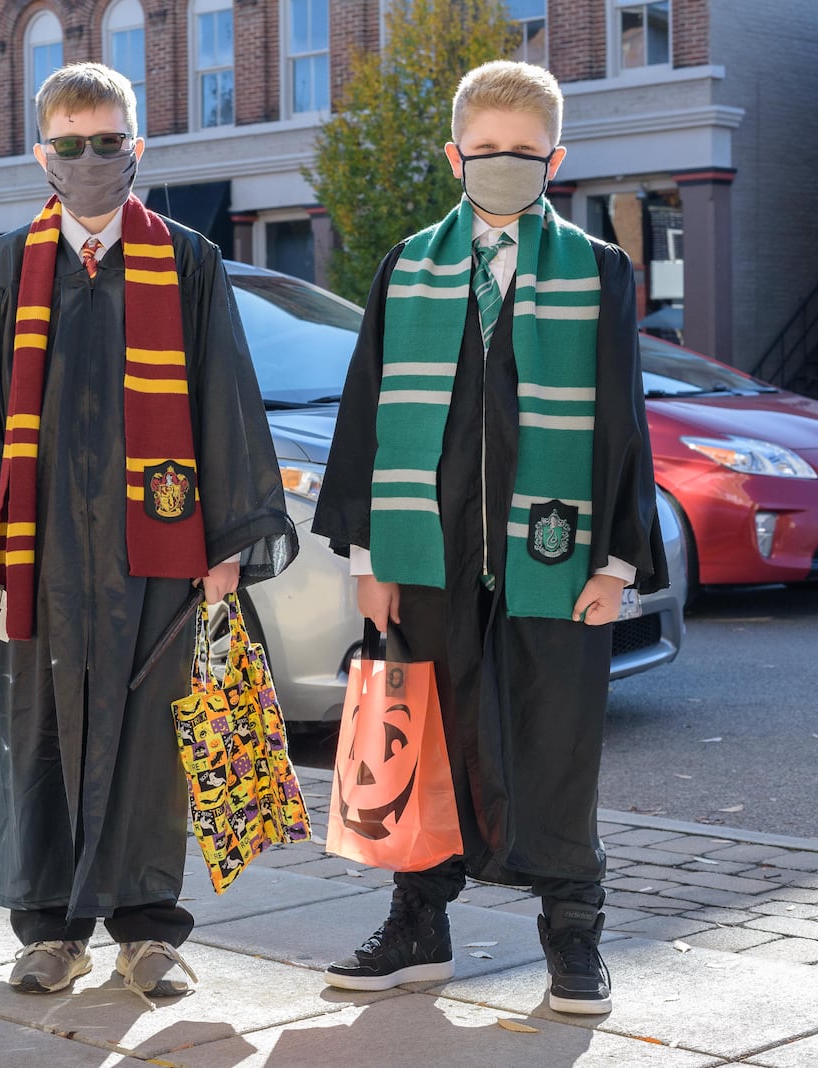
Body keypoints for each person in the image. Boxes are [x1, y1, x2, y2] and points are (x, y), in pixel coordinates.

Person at [0, 63, 296, 1002]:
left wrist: (225, 544)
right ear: (43, 154)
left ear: (137, 147)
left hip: (153, 546)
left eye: (108, 143)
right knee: (36, 732)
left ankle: (149, 933)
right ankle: (48, 932)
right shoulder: (3, 266)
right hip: (39, 552)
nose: (90, 161)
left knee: (152, 741)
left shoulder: (188, 260)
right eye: (71, 146)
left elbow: (223, 399)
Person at [312, 60, 668, 1016]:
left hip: (551, 554)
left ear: (556, 156)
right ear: (454, 154)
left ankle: (573, 936)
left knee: (556, 742)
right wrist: (367, 557)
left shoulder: (598, 271)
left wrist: (619, 561)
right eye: (486, 150)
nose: (503, 165)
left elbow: (622, 423)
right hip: (426, 556)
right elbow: (366, 412)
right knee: (426, 741)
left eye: (523, 152)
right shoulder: (408, 265)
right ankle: (419, 923)